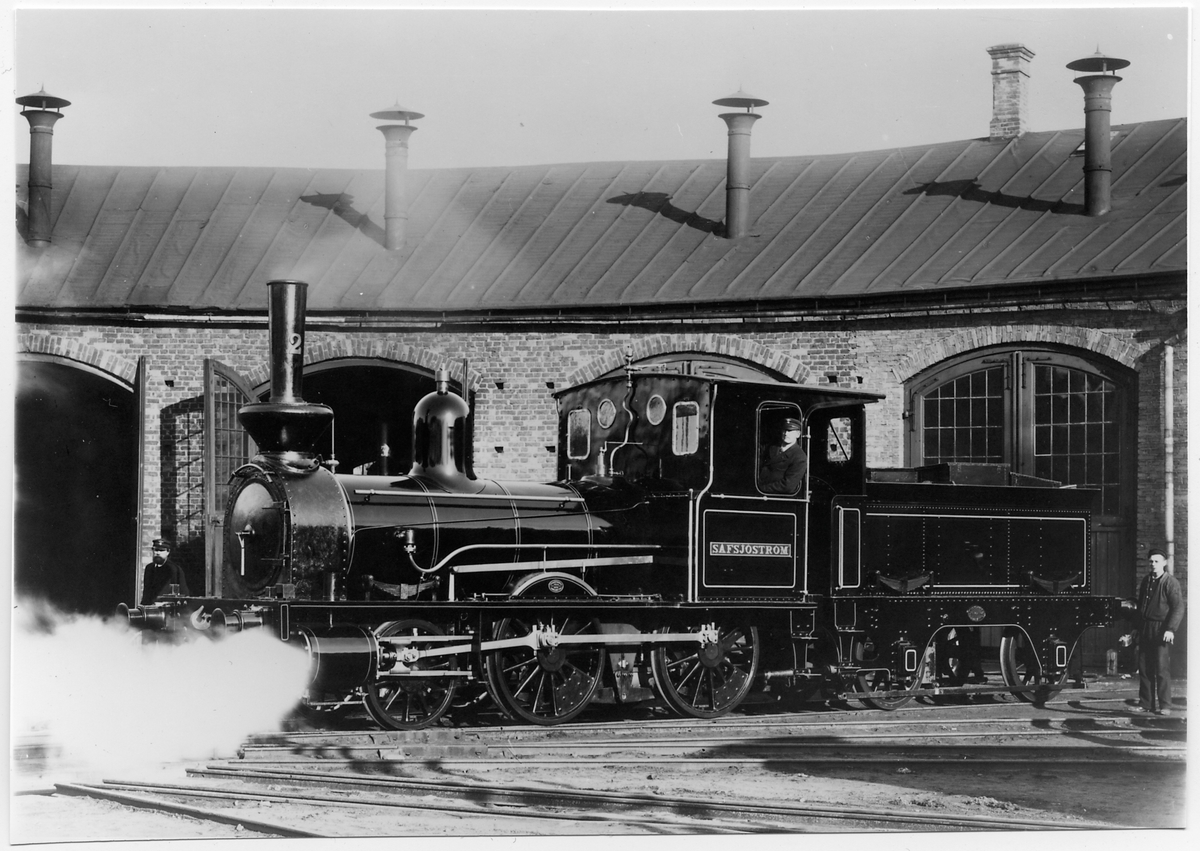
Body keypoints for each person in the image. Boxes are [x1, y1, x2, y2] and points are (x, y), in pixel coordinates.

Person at [1130, 548, 1185, 715]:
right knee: (1144, 668)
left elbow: (1178, 608)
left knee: (1161, 668)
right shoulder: (1146, 581)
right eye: (1151, 561)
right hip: (1145, 628)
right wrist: (1136, 628)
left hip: (1161, 629)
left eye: (1157, 561)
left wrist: (1170, 629)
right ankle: (1146, 704)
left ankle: (1165, 706)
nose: (1153, 564)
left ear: (1164, 563)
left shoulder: (1170, 582)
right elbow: (1141, 606)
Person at [759, 417, 807, 494]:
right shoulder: (771, 447)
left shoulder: (799, 457)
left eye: (790, 431)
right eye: (784, 430)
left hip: (773, 495)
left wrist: (761, 488)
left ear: (798, 434)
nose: (786, 434)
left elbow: (787, 486)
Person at [140, 537, 190, 605]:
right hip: (151, 608)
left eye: (161, 550)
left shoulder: (174, 570)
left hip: (167, 608)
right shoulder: (149, 568)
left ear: (168, 552)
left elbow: (184, 594)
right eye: (156, 550)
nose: (158, 553)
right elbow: (146, 593)